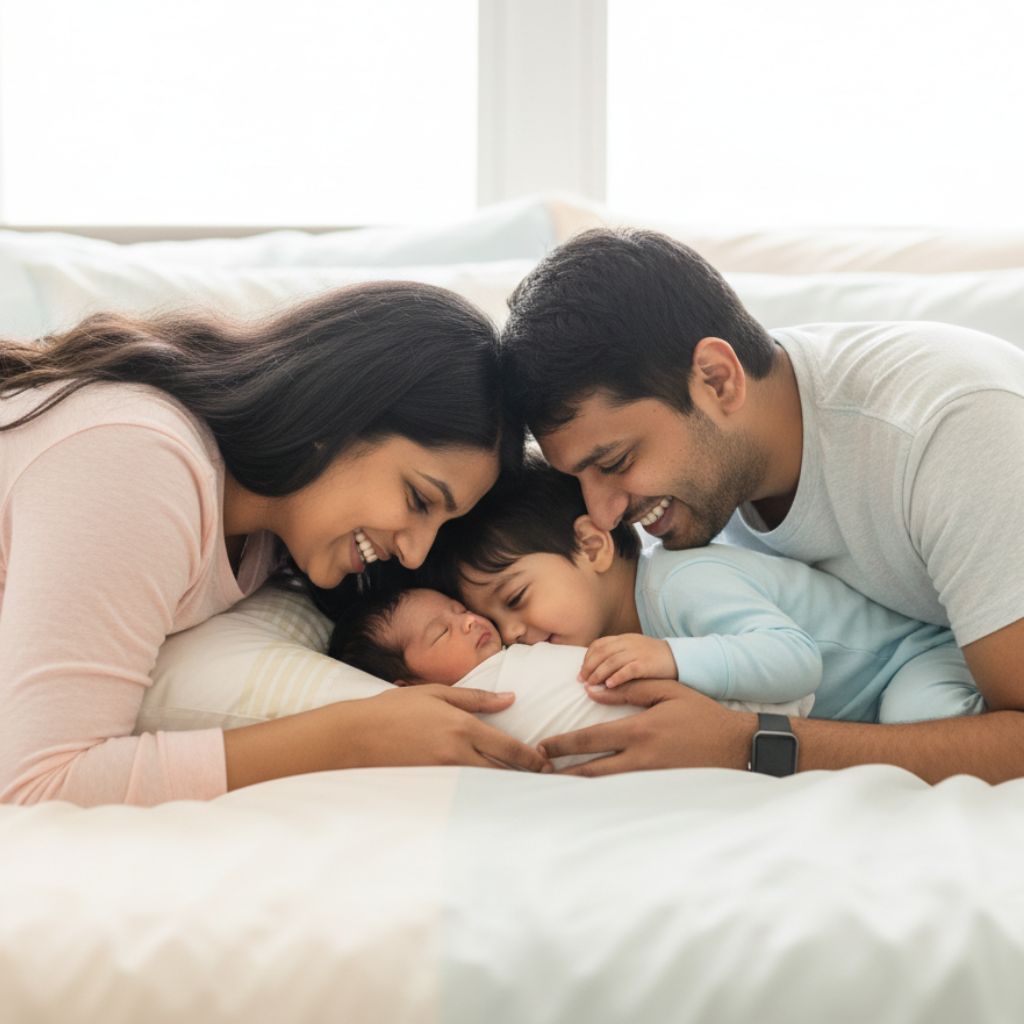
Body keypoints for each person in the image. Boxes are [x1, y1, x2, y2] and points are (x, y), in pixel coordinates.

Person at [499, 227, 1024, 782]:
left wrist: (747, 744)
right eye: (578, 479)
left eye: (616, 461)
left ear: (718, 380)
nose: (604, 516)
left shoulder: (952, 431)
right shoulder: (717, 475)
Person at [0, 282, 549, 807]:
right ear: (337, 415)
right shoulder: (142, 463)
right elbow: (35, 784)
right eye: (419, 500)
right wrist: (353, 737)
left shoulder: (268, 537)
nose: (414, 553)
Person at [440, 459, 982, 724]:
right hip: (860, 706)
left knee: (921, 724)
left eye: (515, 599)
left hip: (912, 657)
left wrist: (672, 656)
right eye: (500, 626)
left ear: (590, 545)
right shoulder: (623, 633)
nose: (514, 632)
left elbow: (796, 660)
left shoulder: (682, 581)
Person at [327, 586, 811, 768]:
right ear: (409, 688)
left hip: (731, 708)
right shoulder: (454, 716)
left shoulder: (525, 652)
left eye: (459, 610)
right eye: (441, 632)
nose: (469, 622)